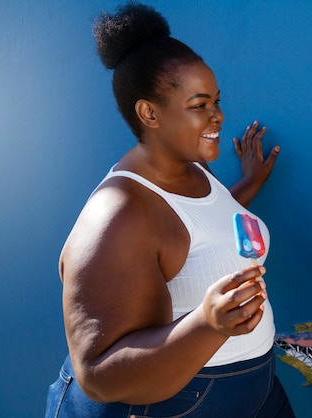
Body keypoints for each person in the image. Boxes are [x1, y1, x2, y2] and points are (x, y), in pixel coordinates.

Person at [45, 3, 294, 417]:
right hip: (185, 402)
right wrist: (207, 325)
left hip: (256, 385)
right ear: (149, 113)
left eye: (217, 100)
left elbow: (196, 232)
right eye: (199, 105)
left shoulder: (193, 164)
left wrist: (245, 187)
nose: (218, 115)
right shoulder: (117, 214)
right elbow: (96, 374)